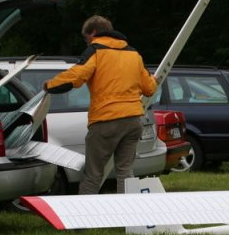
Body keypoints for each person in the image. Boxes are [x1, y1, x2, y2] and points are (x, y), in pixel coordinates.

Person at [44, 15, 157, 195]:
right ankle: (129, 210)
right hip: (133, 120)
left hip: (106, 120)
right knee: (125, 172)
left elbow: (76, 76)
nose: (87, 42)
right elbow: (149, 88)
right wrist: (153, 79)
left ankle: (84, 211)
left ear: (94, 32)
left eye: (86, 38)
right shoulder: (134, 54)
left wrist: (49, 85)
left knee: (93, 174)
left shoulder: (95, 51)